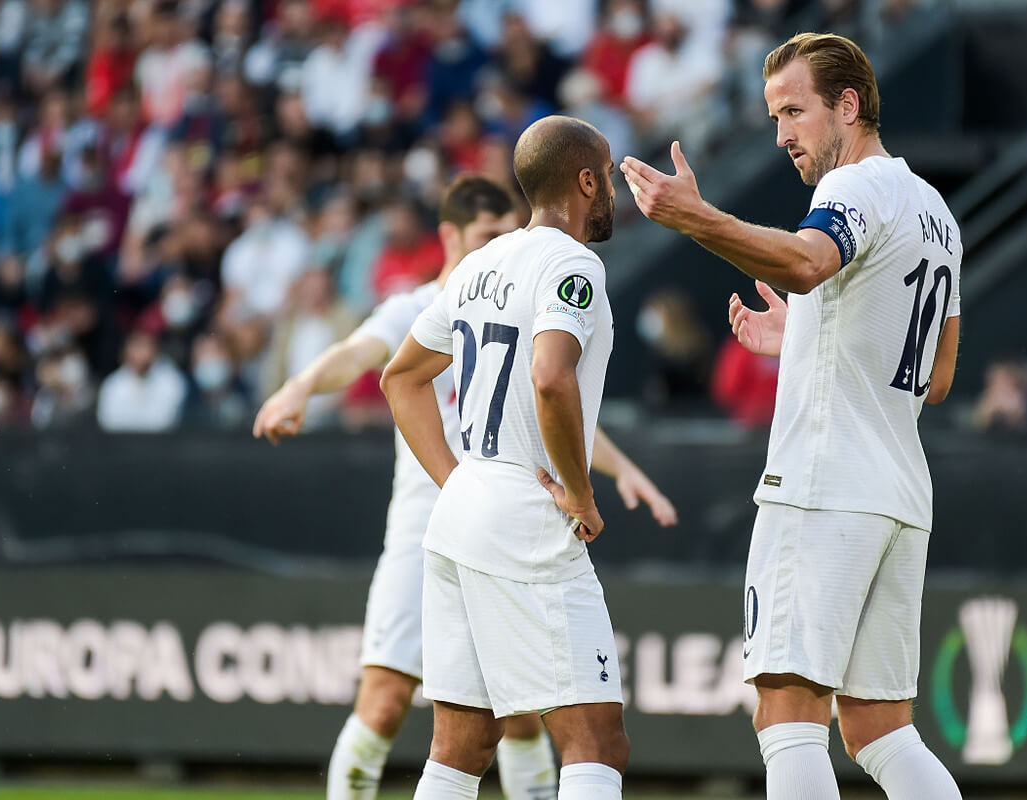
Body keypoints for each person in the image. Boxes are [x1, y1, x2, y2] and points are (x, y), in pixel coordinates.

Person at [255, 173, 676, 800]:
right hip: (483, 510)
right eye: (486, 232)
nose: (501, 239)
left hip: (462, 510)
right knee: (583, 734)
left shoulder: (487, 278)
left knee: (476, 738)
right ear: (451, 235)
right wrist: (300, 385)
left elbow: (525, 401)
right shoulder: (454, 291)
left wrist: (618, 469)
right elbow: (547, 383)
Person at [621, 32, 962, 800]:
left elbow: (809, 261)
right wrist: (807, 335)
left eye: (793, 111)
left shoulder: (853, 189)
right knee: (881, 728)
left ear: (848, 104)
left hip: (824, 482)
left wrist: (695, 218)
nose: (780, 135)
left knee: (787, 716)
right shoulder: (936, 211)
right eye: (775, 115)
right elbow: (937, 378)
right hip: (899, 493)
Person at [380, 117, 640, 800]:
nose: (611, 187)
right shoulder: (573, 264)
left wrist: (459, 482)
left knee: (461, 744)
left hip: (462, 511)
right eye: (607, 173)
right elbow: (551, 376)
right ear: (586, 180)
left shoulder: (476, 265)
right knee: (596, 738)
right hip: (527, 512)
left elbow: (400, 378)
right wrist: (582, 494)